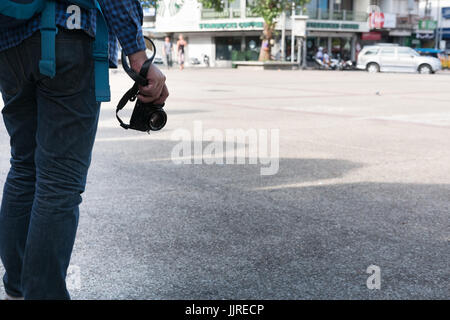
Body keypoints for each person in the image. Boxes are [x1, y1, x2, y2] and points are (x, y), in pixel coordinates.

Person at [0, 0, 168, 300]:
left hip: (9, 44)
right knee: (59, 181)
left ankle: (17, 287)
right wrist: (138, 54)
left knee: (25, 168)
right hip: (70, 34)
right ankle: (41, 293)